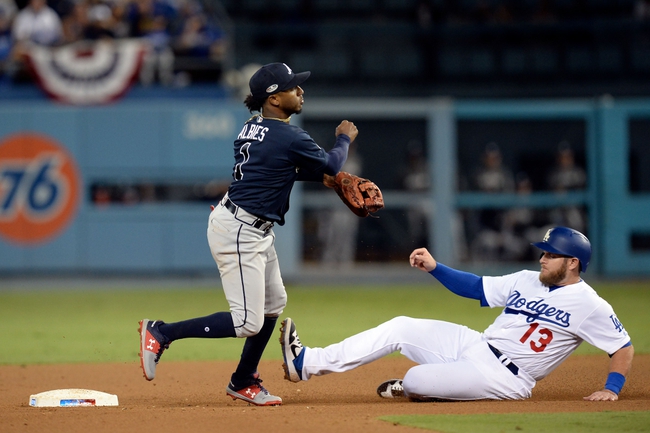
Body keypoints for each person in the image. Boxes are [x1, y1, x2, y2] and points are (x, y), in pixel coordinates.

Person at [139, 62, 358, 407]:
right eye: (292, 87)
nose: (300, 91)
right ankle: (162, 332)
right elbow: (331, 164)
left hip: (246, 225)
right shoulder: (289, 135)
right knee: (247, 321)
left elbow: (276, 170)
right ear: (273, 98)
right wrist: (344, 138)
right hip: (240, 230)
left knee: (274, 305)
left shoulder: (253, 127)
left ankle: (243, 380)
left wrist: (322, 178)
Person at [280, 226, 633, 402]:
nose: (542, 258)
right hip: (476, 345)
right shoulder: (527, 279)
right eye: (543, 252)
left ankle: (424, 387)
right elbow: (475, 287)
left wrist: (612, 389)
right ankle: (306, 363)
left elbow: (622, 347)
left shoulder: (591, 304)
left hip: (507, 378)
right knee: (401, 326)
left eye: (551, 255)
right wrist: (435, 267)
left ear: (573, 263)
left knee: (416, 379)